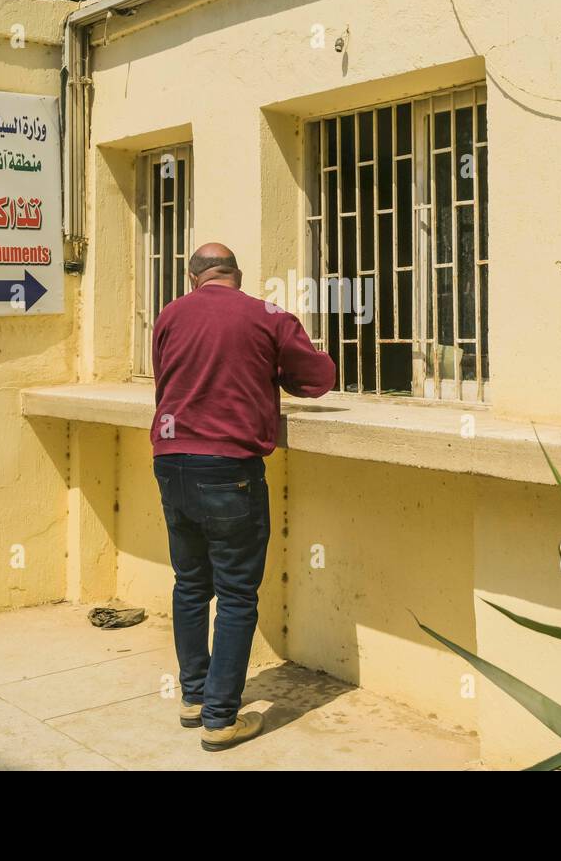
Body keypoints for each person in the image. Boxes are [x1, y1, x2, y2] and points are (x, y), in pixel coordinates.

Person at [150, 243, 335, 751]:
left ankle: (192, 698)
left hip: (170, 461)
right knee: (235, 595)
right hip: (229, 470)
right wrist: (272, 371)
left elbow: (169, 381)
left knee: (190, 584)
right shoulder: (267, 315)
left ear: (193, 279)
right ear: (237, 275)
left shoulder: (169, 315)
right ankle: (220, 719)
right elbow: (317, 380)